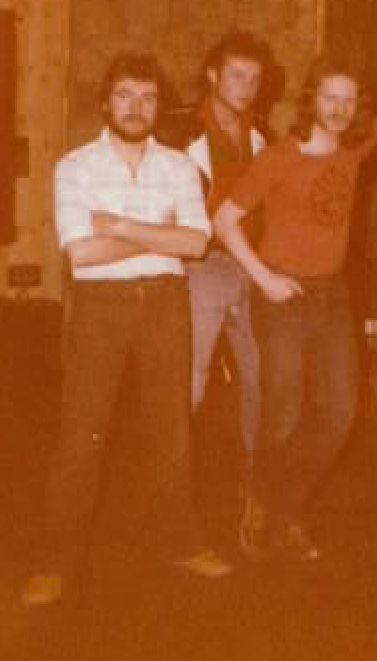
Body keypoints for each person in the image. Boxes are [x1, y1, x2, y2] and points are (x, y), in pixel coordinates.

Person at [213, 54, 377, 561]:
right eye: (331, 98)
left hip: (332, 296)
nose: (341, 109)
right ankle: (266, 505)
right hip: (283, 296)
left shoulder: (354, 145)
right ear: (312, 100)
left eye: (349, 100)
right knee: (284, 411)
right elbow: (225, 220)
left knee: (340, 414)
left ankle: (283, 501)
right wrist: (264, 278)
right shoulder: (279, 157)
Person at [20, 52, 232, 607]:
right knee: (80, 435)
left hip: (165, 302)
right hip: (100, 306)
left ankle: (182, 544)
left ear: (159, 106)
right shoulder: (74, 167)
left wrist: (117, 225)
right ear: (105, 103)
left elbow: (196, 243)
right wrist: (157, 234)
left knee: (171, 431)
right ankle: (54, 562)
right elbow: (82, 254)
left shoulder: (179, 168)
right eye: (124, 95)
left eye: (147, 97)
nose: (136, 107)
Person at [158, 30, 274, 523]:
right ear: (212, 75)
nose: (246, 87)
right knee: (193, 378)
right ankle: (172, 499)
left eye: (254, 79)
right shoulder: (177, 128)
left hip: (253, 264)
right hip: (202, 263)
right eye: (237, 75)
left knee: (262, 377)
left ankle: (256, 490)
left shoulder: (261, 132)